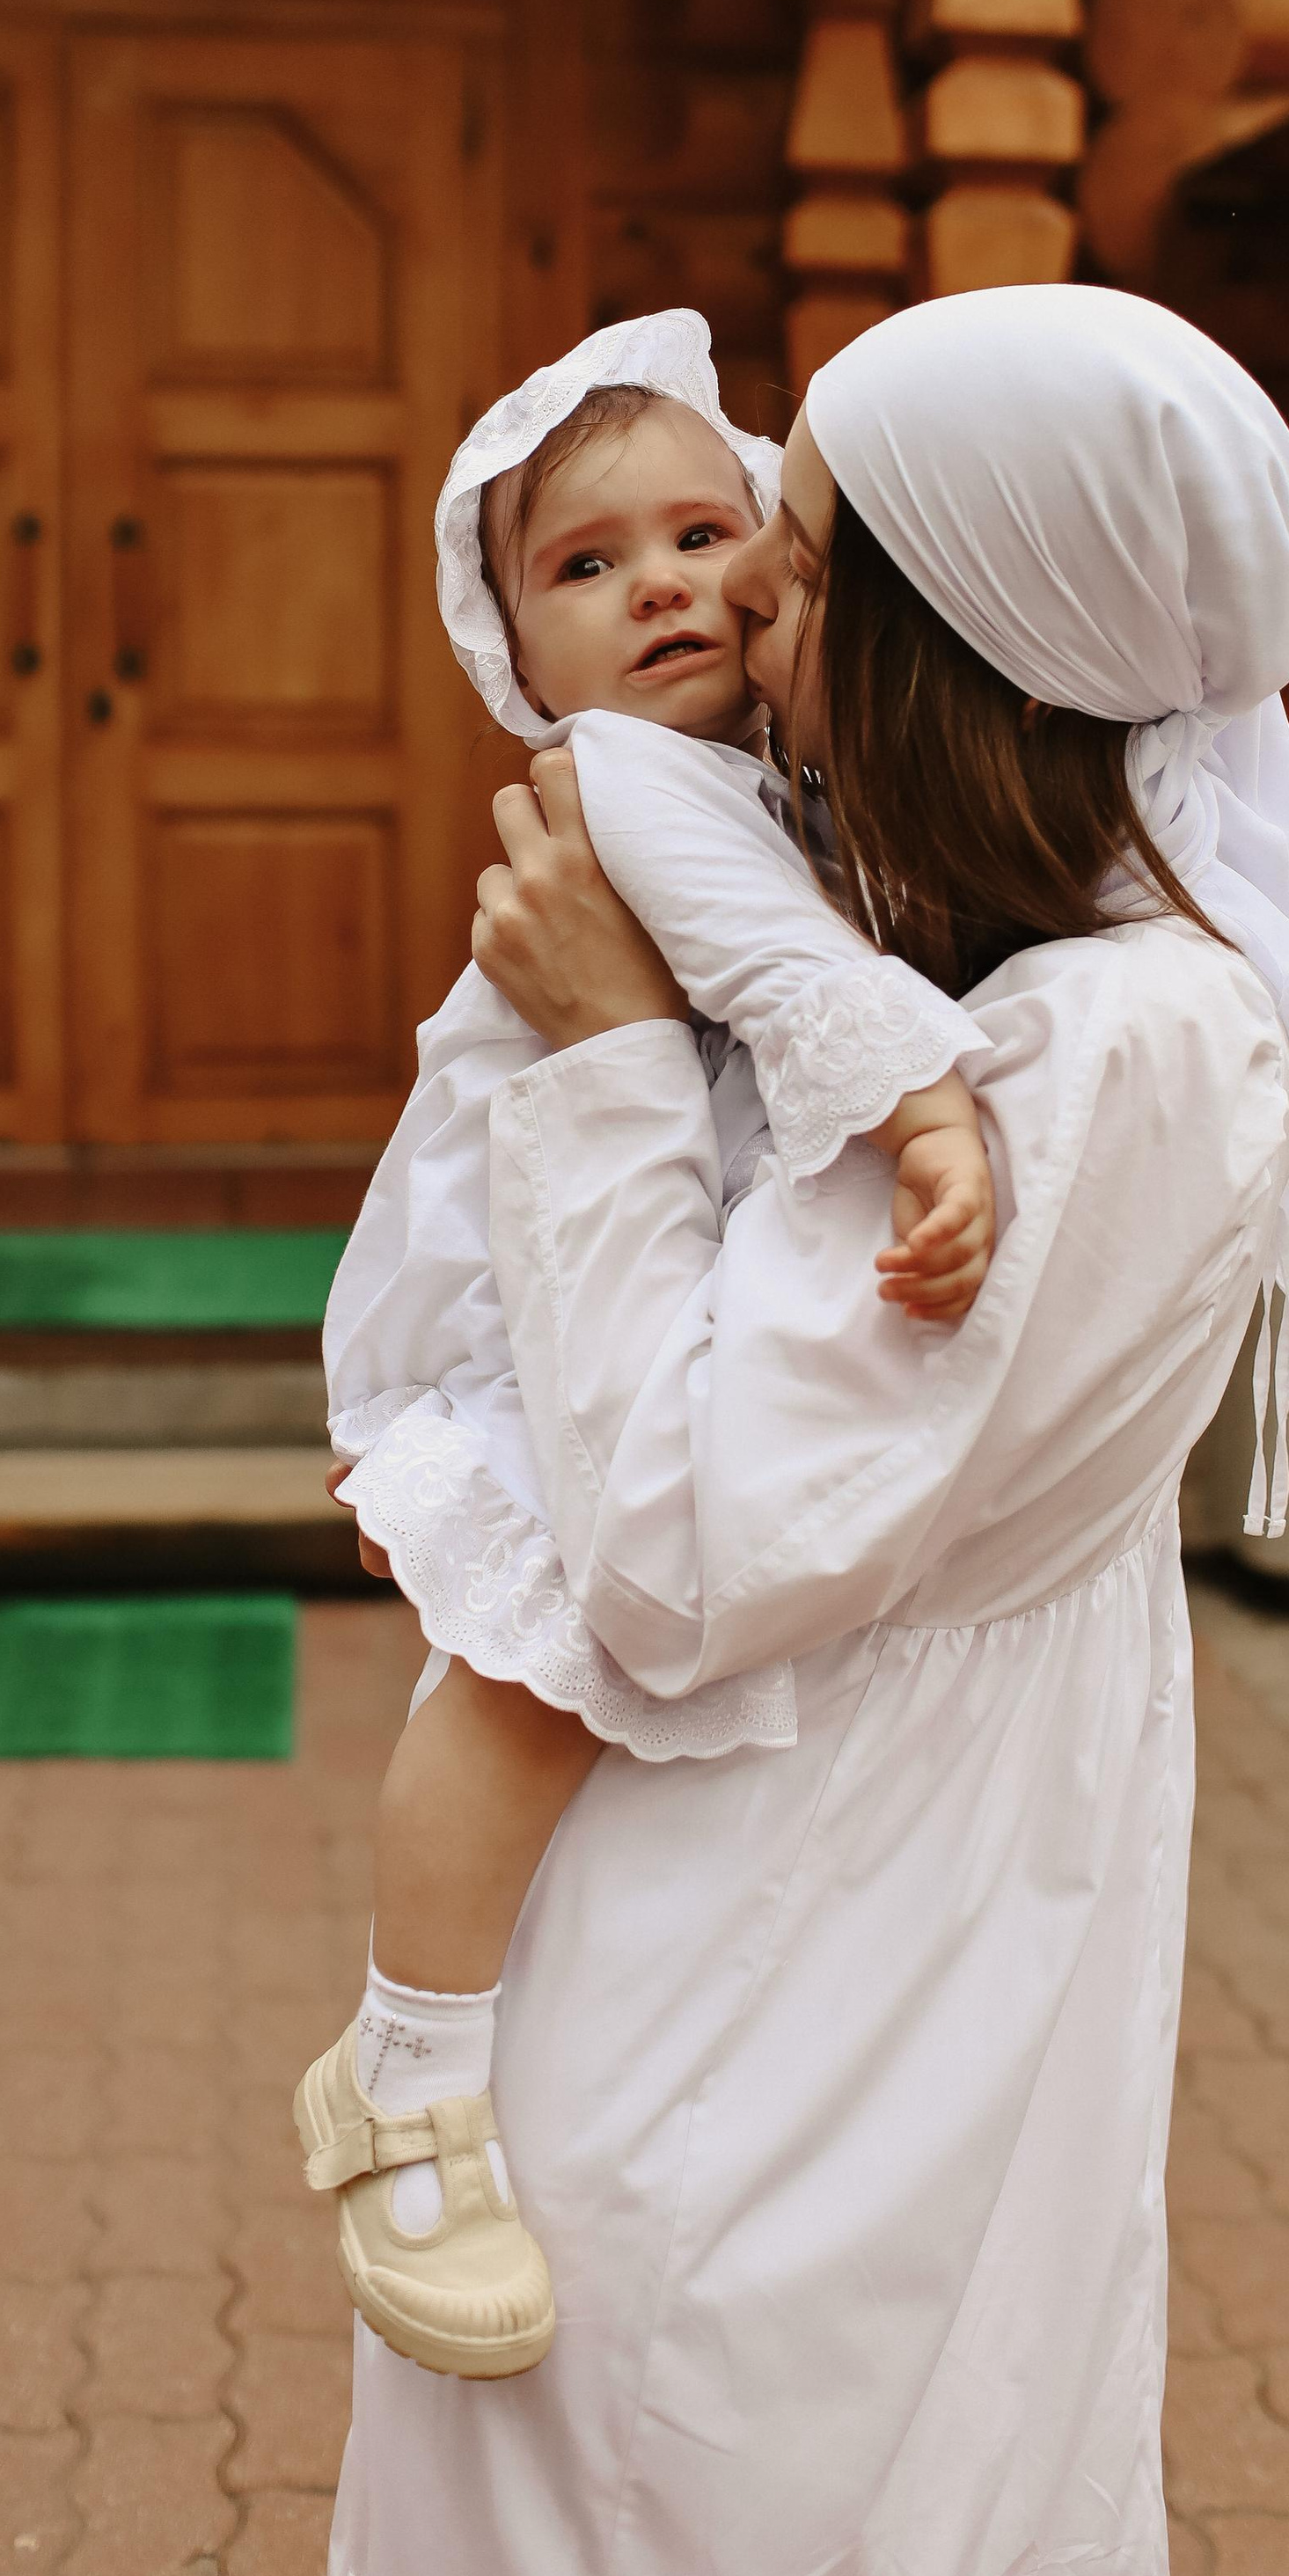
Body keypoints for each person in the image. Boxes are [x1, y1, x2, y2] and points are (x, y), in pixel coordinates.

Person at [324, 281, 1289, 2576]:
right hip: (783, 1924)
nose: (729, 616)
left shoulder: (1120, 1044)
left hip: (790, 1993)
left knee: (739, 2501)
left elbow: (688, 1558)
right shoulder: (978, 956)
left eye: (784, 565)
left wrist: (614, 1054)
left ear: (952, 636)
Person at [304, 312, 998, 2380]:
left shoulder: (766, 779)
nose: (664, 585)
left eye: (707, 531)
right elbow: (787, 975)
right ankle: (405, 2074)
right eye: (584, 566)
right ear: (515, 652)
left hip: (602, 1293)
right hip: (518, 1324)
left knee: (577, 1670)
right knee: (528, 1676)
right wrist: (933, 1111)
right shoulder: (627, 784)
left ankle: (446, 2058)